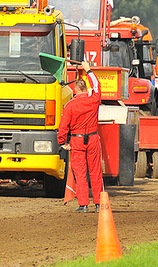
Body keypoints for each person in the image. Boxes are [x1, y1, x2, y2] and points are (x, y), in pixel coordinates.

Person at [57, 60, 103, 213]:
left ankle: (83, 204)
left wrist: (62, 142)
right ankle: (98, 204)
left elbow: (63, 126)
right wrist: (88, 70)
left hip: (76, 141)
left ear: (76, 89)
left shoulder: (70, 105)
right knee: (95, 171)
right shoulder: (94, 100)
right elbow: (97, 86)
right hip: (93, 138)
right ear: (86, 89)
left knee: (80, 173)